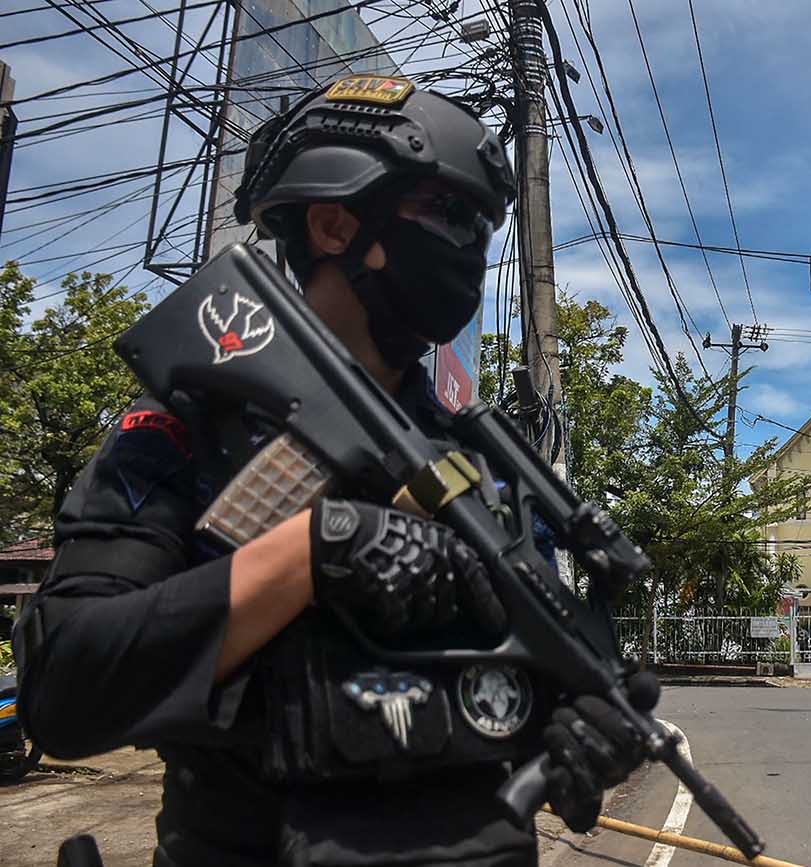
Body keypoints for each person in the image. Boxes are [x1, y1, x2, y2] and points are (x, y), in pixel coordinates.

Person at [14, 76, 657, 867]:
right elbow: (65, 688)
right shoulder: (194, 429)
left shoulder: (481, 466)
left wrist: (572, 736)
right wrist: (316, 551)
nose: (471, 251)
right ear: (332, 224)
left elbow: (507, 702)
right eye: (450, 214)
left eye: (484, 229)